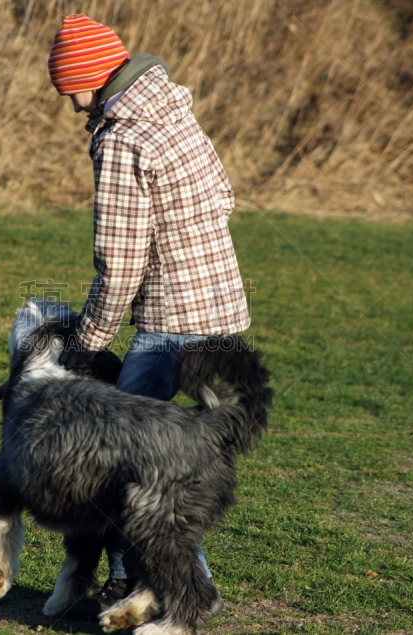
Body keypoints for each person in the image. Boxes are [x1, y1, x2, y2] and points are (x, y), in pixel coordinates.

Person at [48, 14, 251, 618]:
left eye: (74, 90)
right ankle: (149, 583)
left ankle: (175, 590)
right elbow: (224, 196)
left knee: (124, 460)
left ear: (93, 77)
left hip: (168, 322)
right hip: (219, 310)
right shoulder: (172, 111)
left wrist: (89, 341)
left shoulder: (122, 137)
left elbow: (120, 259)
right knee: (179, 462)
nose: (74, 103)